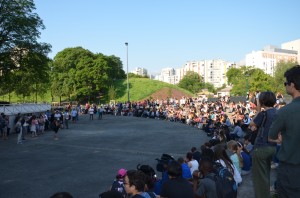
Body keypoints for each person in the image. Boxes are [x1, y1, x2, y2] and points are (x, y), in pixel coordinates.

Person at [269, 65, 300, 198]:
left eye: (286, 83)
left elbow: (271, 137)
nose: (285, 86)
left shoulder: (285, 111)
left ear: (292, 85)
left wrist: (281, 138)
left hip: (291, 169)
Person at [249, 91, 277, 198]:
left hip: (261, 148)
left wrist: (258, 109)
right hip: (272, 147)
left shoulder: (263, 114)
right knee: (266, 174)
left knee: (259, 178)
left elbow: (251, 123)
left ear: (262, 101)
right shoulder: (277, 112)